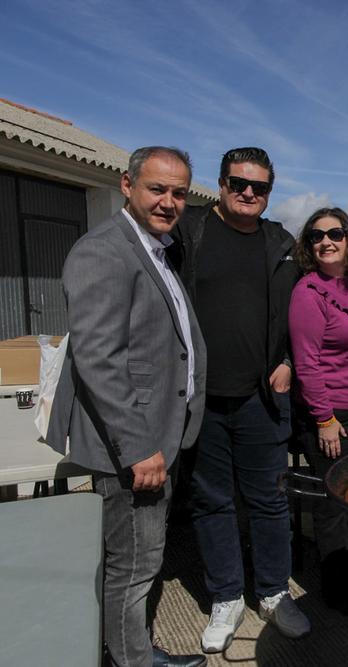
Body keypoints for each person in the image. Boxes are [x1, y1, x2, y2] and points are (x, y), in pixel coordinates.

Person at [46, 147, 207, 667]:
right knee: (133, 566)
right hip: (134, 448)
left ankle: (131, 650)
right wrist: (140, 447)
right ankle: (131, 661)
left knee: (142, 560)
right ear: (127, 185)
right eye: (157, 189)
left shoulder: (156, 248)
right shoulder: (105, 250)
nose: (168, 202)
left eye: (179, 193)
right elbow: (99, 358)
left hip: (157, 435)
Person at [170, 147, 308, 652]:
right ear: (222, 184)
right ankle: (226, 597)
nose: (248, 193)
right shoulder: (190, 232)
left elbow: (302, 316)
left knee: (270, 500)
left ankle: (273, 592)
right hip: (202, 398)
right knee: (211, 500)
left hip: (260, 400)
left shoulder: (281, 244)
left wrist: (290, 362)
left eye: (260, 187)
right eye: (238, 183)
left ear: (270, 192)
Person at [288, 207, 348, 619]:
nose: (327, 241)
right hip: (330, 414)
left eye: (335, 233)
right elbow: (307, 364)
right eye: (316, 236)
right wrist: (324, 419)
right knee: (334, 505)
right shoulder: (307, 293)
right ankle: (337, 588)